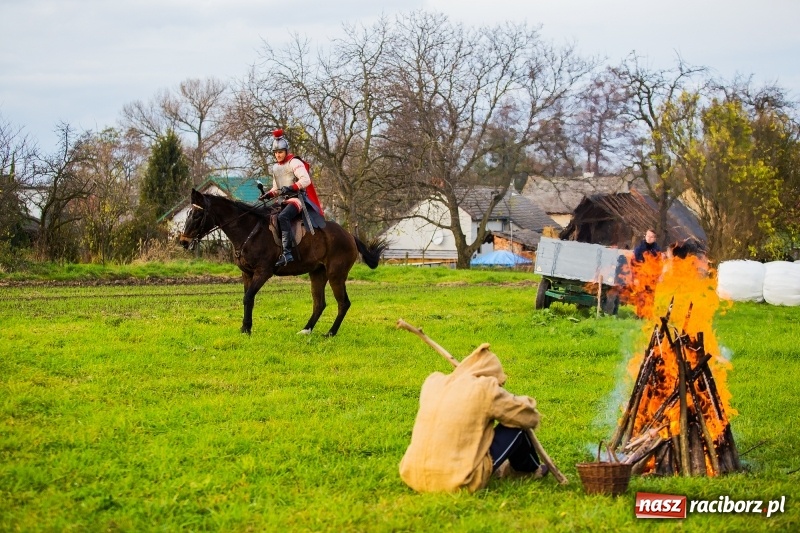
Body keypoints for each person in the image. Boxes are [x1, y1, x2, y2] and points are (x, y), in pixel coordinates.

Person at [399, 343, 546, 493]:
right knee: (518, 428)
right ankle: (527, 472)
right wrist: (517, 400)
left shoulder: (433, 382)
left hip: (413, 476)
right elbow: (528, 417)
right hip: (458, 482)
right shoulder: (485, 388)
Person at [258, 129, 325, 268]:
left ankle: (287, 253)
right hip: (282, 201)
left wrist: (291, 187)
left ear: (286, 151)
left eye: (280, 152)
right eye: (276, 153)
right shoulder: (275, 167)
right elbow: (276, 188)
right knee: (266, 215)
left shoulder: (294, 162)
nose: (278, 155)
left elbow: (306, 180)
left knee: (283, 217)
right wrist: (268, 194)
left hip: (297, 199)